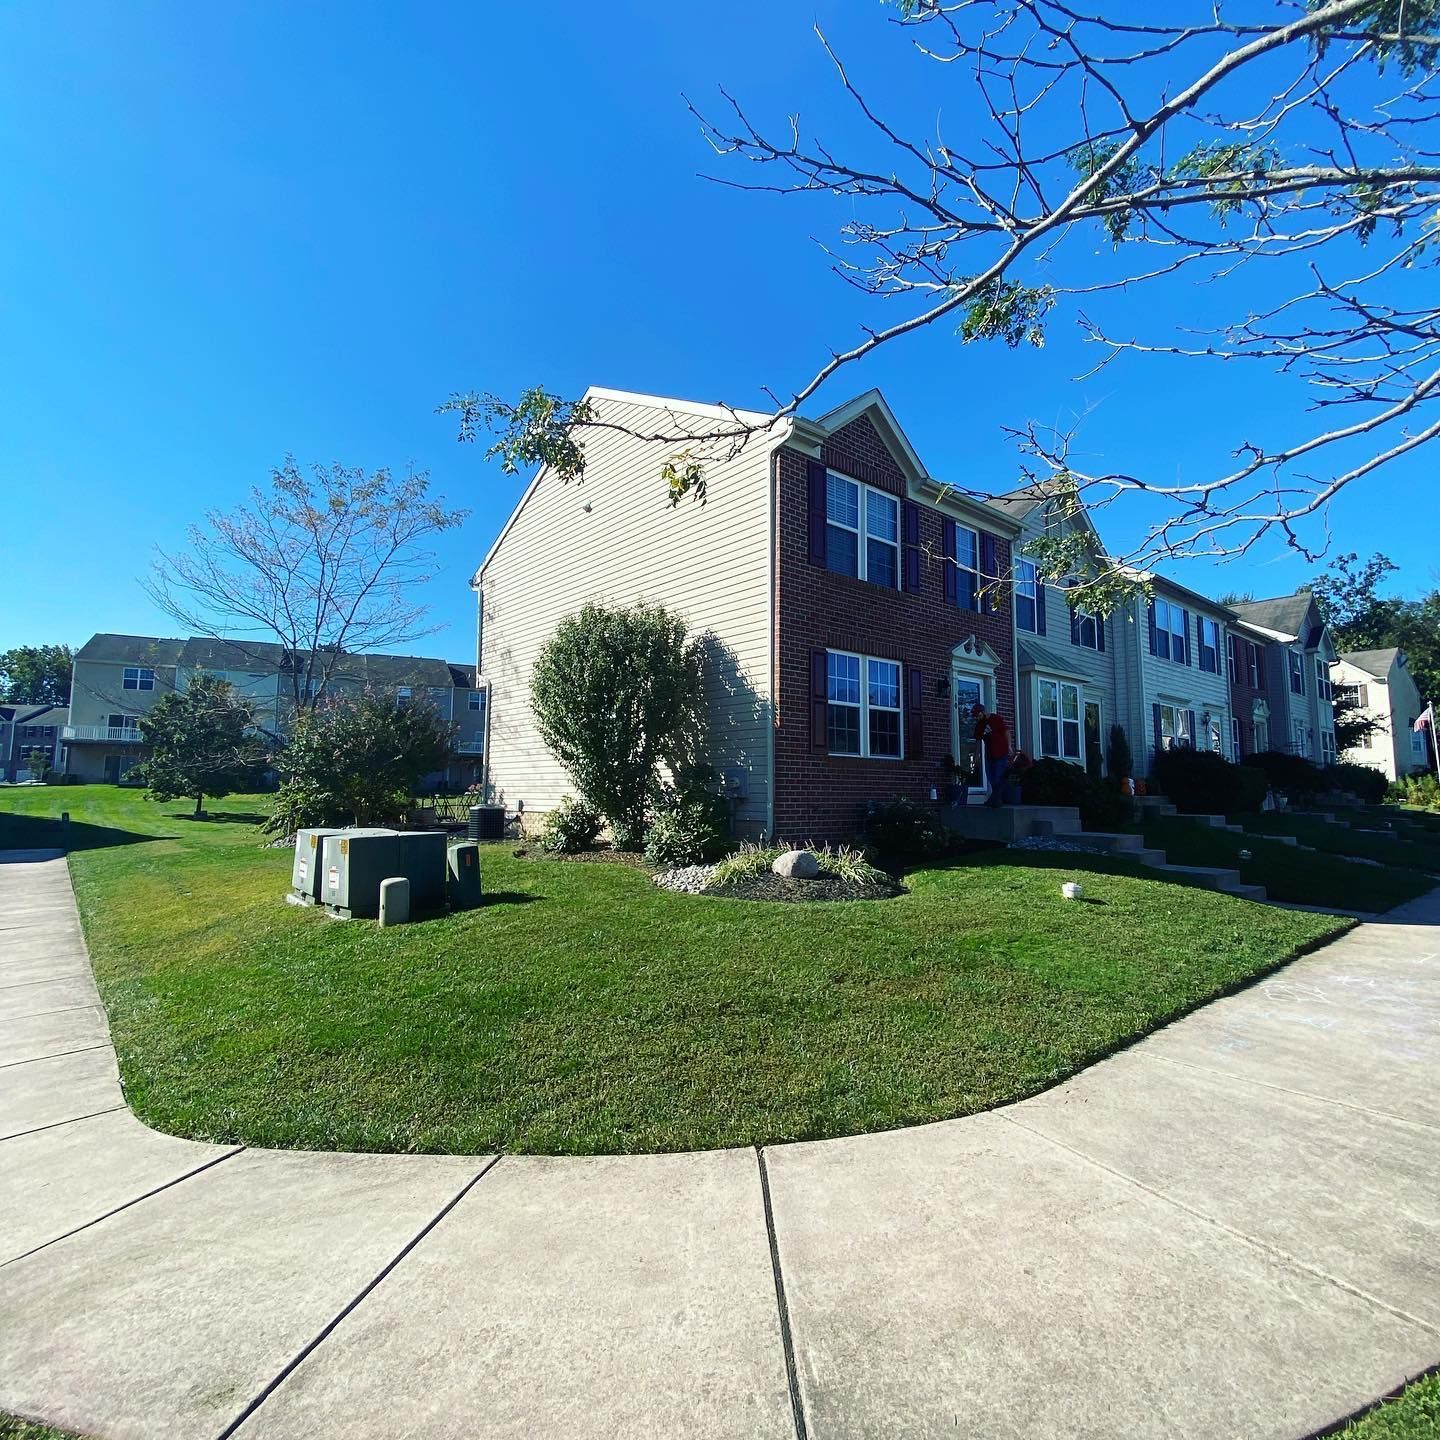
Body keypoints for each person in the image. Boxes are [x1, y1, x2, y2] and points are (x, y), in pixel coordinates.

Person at [971, 701, 1012, 806]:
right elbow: (978, 741)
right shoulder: (979, 726)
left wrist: (1009, 746)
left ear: (983, 712)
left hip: (1001, 752)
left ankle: (997, 800)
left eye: (978, 715)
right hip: (989, 754)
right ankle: (994, 798)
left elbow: (1006, 732)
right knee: (991, 777)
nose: (977, 718)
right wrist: (976, 755)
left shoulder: (996, 719)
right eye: (975, 716)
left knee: (998, 776)